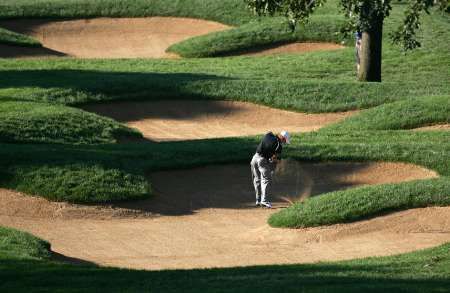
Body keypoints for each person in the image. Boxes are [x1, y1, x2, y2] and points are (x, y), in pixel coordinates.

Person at [250, 130, 290, 208]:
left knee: (257, 179)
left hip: (254, 158)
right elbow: (273, 158)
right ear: (282, 138)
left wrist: (270, 158)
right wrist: (279, 161)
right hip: (262, 161)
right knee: (266, 179)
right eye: (285, 141)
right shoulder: (278, 146)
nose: (284, 143)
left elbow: (267, 139)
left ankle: (258, 200)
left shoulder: (269, 135)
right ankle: (264, 201)